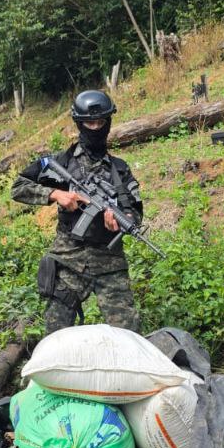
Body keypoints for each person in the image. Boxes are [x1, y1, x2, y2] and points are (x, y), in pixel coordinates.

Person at [12, 89, 144, 334]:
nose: (95, 128)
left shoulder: (120, 170)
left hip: (109, 262)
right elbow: (18, 187)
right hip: (68, 260)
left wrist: (122, 219)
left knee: (128, 334)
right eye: (89, 123)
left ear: (108, 122)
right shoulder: (61, 162)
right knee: (56, 331)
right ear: (79, 123)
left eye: (101, 122)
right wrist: (55, 194)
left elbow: (134, 211)